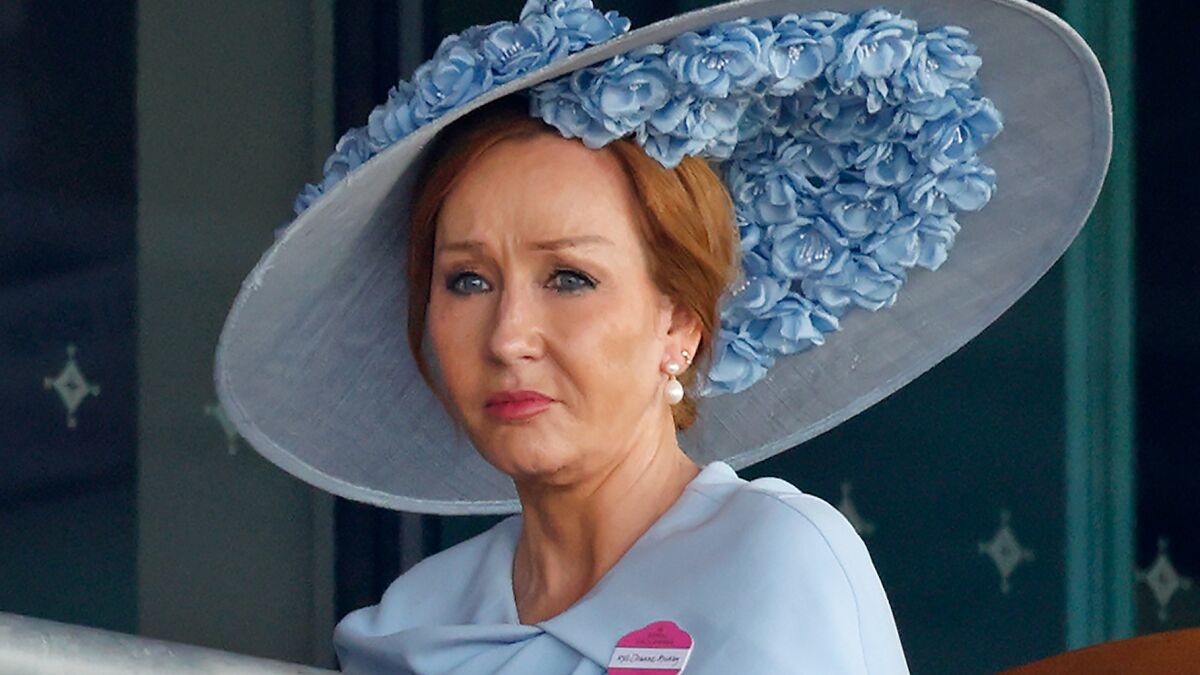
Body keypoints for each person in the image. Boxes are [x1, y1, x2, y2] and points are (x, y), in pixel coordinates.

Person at [214, 1, 1110, 672]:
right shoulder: (415, 620)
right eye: (467, 281)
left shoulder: (774, 561)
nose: (509, 334)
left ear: (678, 321)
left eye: (570, 277)